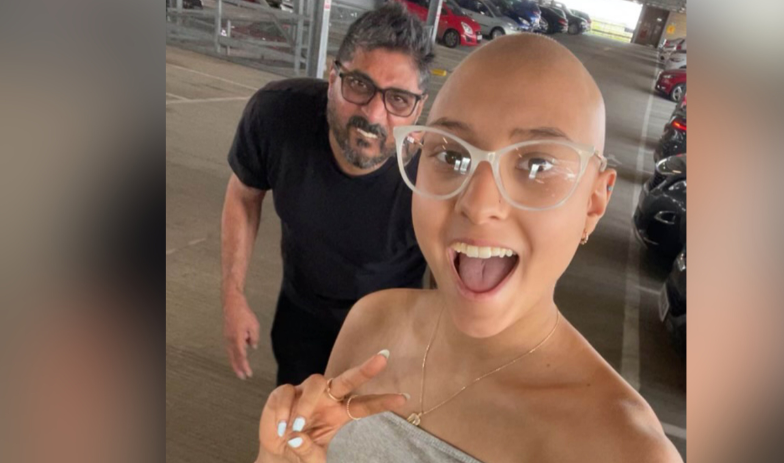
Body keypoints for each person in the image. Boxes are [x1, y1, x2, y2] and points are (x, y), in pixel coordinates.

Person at [253, 34, 684, 463]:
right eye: (452, 156)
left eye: (537, 165)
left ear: (594, 202)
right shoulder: (372, 321)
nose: (477, 204)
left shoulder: (628, 450)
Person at [221, 3, 434, 385]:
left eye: (398, 99)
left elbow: (450, 272)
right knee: (293, 434)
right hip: (301, 317)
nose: (372, 114)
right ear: (332, 75)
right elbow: (244, 193)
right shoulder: (277, 116)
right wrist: (232, 294)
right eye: (359, 85)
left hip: (391, 339)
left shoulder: (434, 175)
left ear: (419, 109)